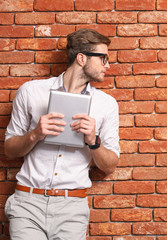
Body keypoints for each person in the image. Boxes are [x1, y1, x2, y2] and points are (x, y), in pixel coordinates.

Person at [4, 28, 120, 240]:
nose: (108, 66)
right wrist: (35, 134)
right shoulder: (31, 91)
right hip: (27, 204)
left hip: (72, 208)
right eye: (103, 59)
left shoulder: (107, 104)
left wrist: (93, 141)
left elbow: (110, 165)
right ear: (82, 58)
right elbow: (9, 150)